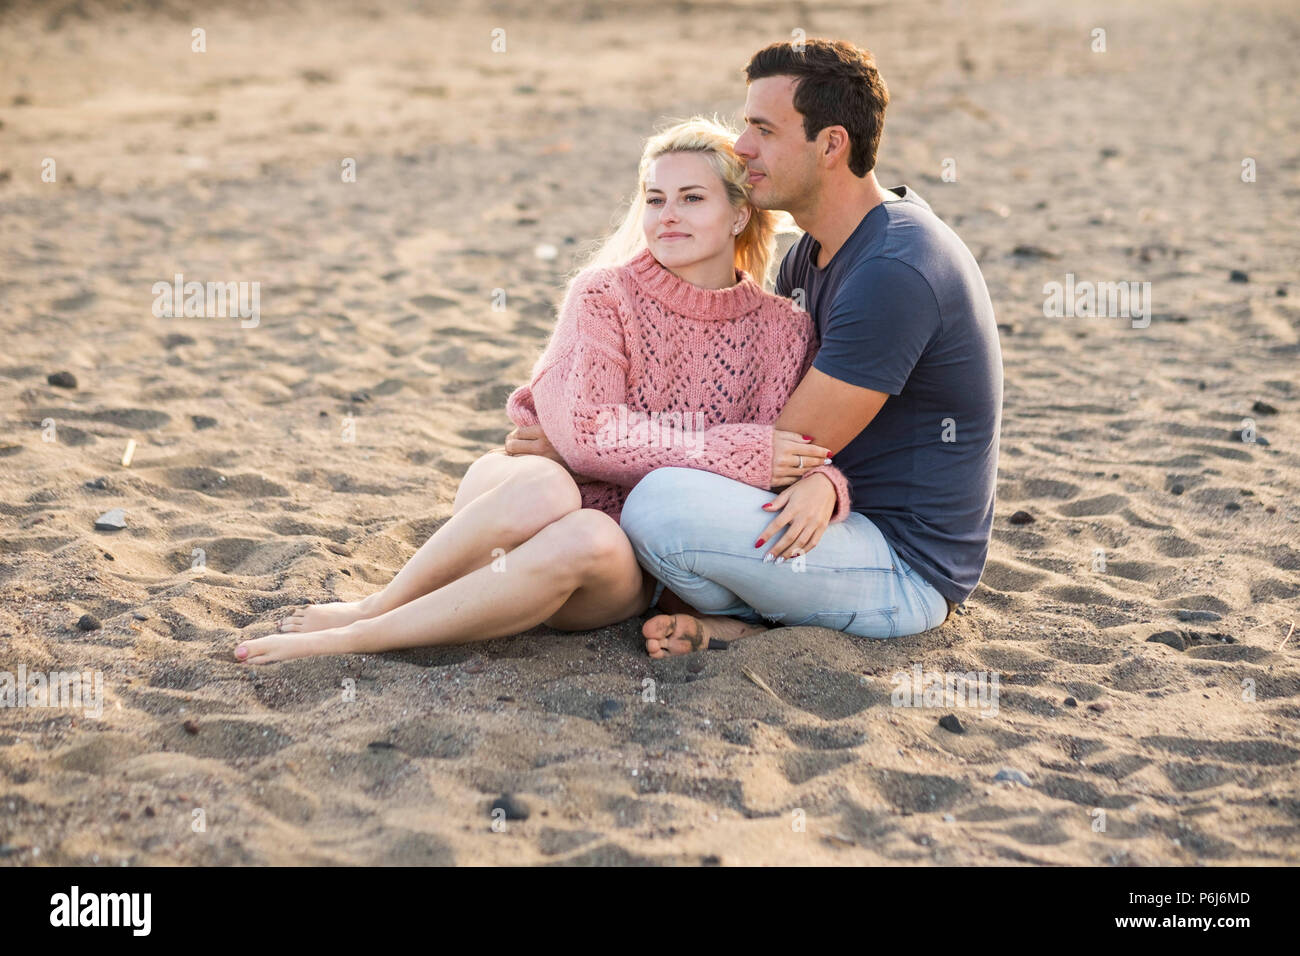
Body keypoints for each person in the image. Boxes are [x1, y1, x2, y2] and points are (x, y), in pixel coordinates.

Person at [234, 116, 852, 665]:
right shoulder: (602, 295)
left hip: (612, 564)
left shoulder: (784, 330)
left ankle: (367, 637)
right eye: (655, 198)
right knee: (549, 481)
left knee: (591, 532)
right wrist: (734, 451)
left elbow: (792, 454)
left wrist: (824, 480)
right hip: (512, 509)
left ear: (739, 213)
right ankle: (370, 612)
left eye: (692, 198)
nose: (668, 215)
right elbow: (588, 434)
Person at [514, 38, 1004, 657]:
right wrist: (586, 429)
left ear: (831, 144)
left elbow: (778, 453)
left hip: (899, 565)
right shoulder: (811, 255)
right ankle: (743, 623)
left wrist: (585, 447)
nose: (742, 148)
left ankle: (747, 614)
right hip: (809, 524)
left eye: (764, 130)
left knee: (658, 508)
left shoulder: (893, 270)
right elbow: (743, 434)